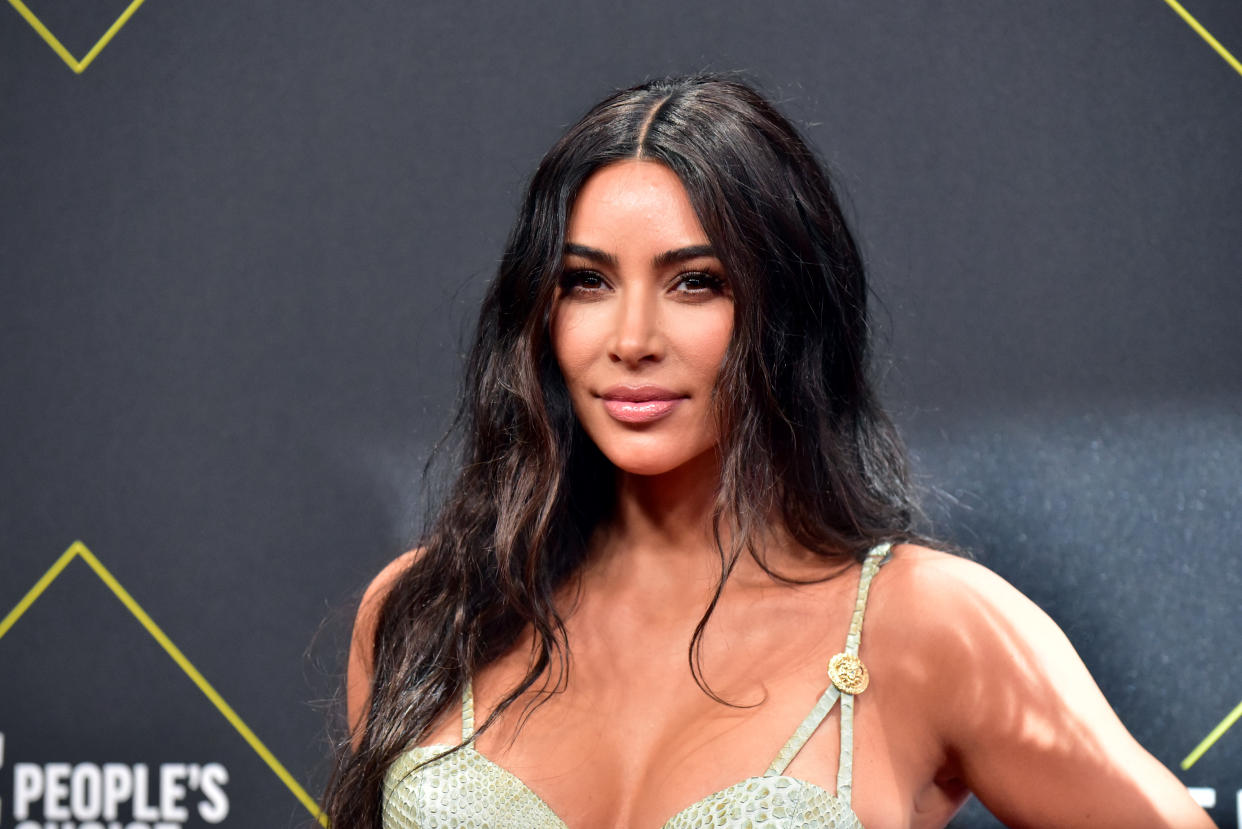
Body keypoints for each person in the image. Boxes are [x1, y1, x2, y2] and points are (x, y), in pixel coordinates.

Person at [323, 75, 1211, 828]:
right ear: (541, 313)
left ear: (784, 312)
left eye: (695, 282)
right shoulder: (428, 609)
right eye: (587, 282)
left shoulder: (929, 627)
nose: (631, 337)